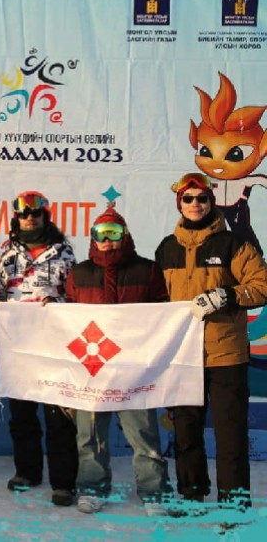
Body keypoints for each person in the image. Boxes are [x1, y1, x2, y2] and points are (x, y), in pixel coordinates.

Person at [155, 172, 267, 510]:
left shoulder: (233, 244)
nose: (195, 204)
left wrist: (226, 295)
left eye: (202, 198)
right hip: (183, 356)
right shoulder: (167, 248)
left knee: (230, 435)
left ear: (211, 202)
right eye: (188, 199)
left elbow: (261, 285)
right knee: (186, 432)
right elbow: (155, 299)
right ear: (180, 203)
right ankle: (191, 496)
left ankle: (234, 503)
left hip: (225, 356)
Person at [65, 204, 173, 515]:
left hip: (133, 368)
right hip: (92, 367)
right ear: (92, 238)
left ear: (125, 236)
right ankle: (92, 489)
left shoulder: (147, 270)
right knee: (90, 436)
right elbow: (66, 317)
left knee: (144, 435)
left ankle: (154, 493)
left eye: (114, 233)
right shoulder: (79, 273)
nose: (107, 240)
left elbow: (164, 312)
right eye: (101, 234)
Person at [0, 191, 78, 507]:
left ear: (45, 216)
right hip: (19, 346)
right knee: (22, 415)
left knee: (58, 417)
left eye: (35, 213)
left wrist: (59, 302)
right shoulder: (6, 254)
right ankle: (27, 472)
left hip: (55, 345)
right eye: (24, 214)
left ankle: (63, 482)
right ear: (16, 218)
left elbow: (78, 295)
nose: (30, 218)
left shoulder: (64, 253)